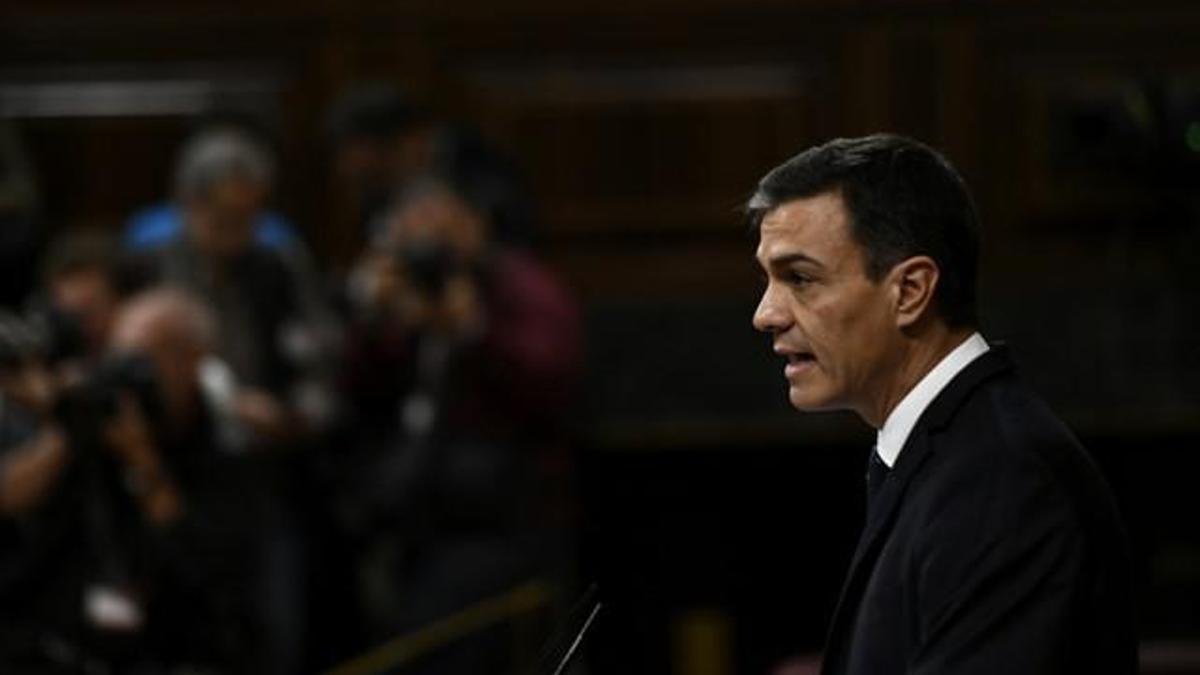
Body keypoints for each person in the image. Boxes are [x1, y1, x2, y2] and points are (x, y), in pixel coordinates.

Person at [748, 135, 1135, 674]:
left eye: (800, 279)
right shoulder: (955, 454)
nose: (766, 314)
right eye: (768, 279)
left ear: (910, 291)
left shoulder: (1007, 481)